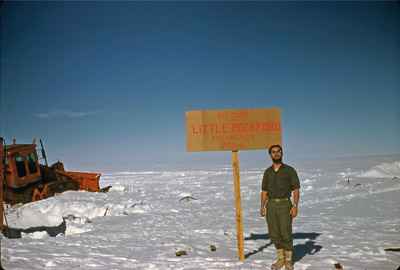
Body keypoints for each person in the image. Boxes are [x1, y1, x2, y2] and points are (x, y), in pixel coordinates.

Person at [260, 145, 300, 270]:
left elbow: (296, 189)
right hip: (271, 205)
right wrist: (262, 206)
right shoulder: (268, 172)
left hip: (285, 204)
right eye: (273, 152)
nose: (276, 154)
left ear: (282, 153)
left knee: (286, 233)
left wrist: (295, 205)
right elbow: (264, 191)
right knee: (274, 234)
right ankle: (280, 259)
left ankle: (288, 261)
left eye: (278, 152)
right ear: (270, 155)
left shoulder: (289, 170)